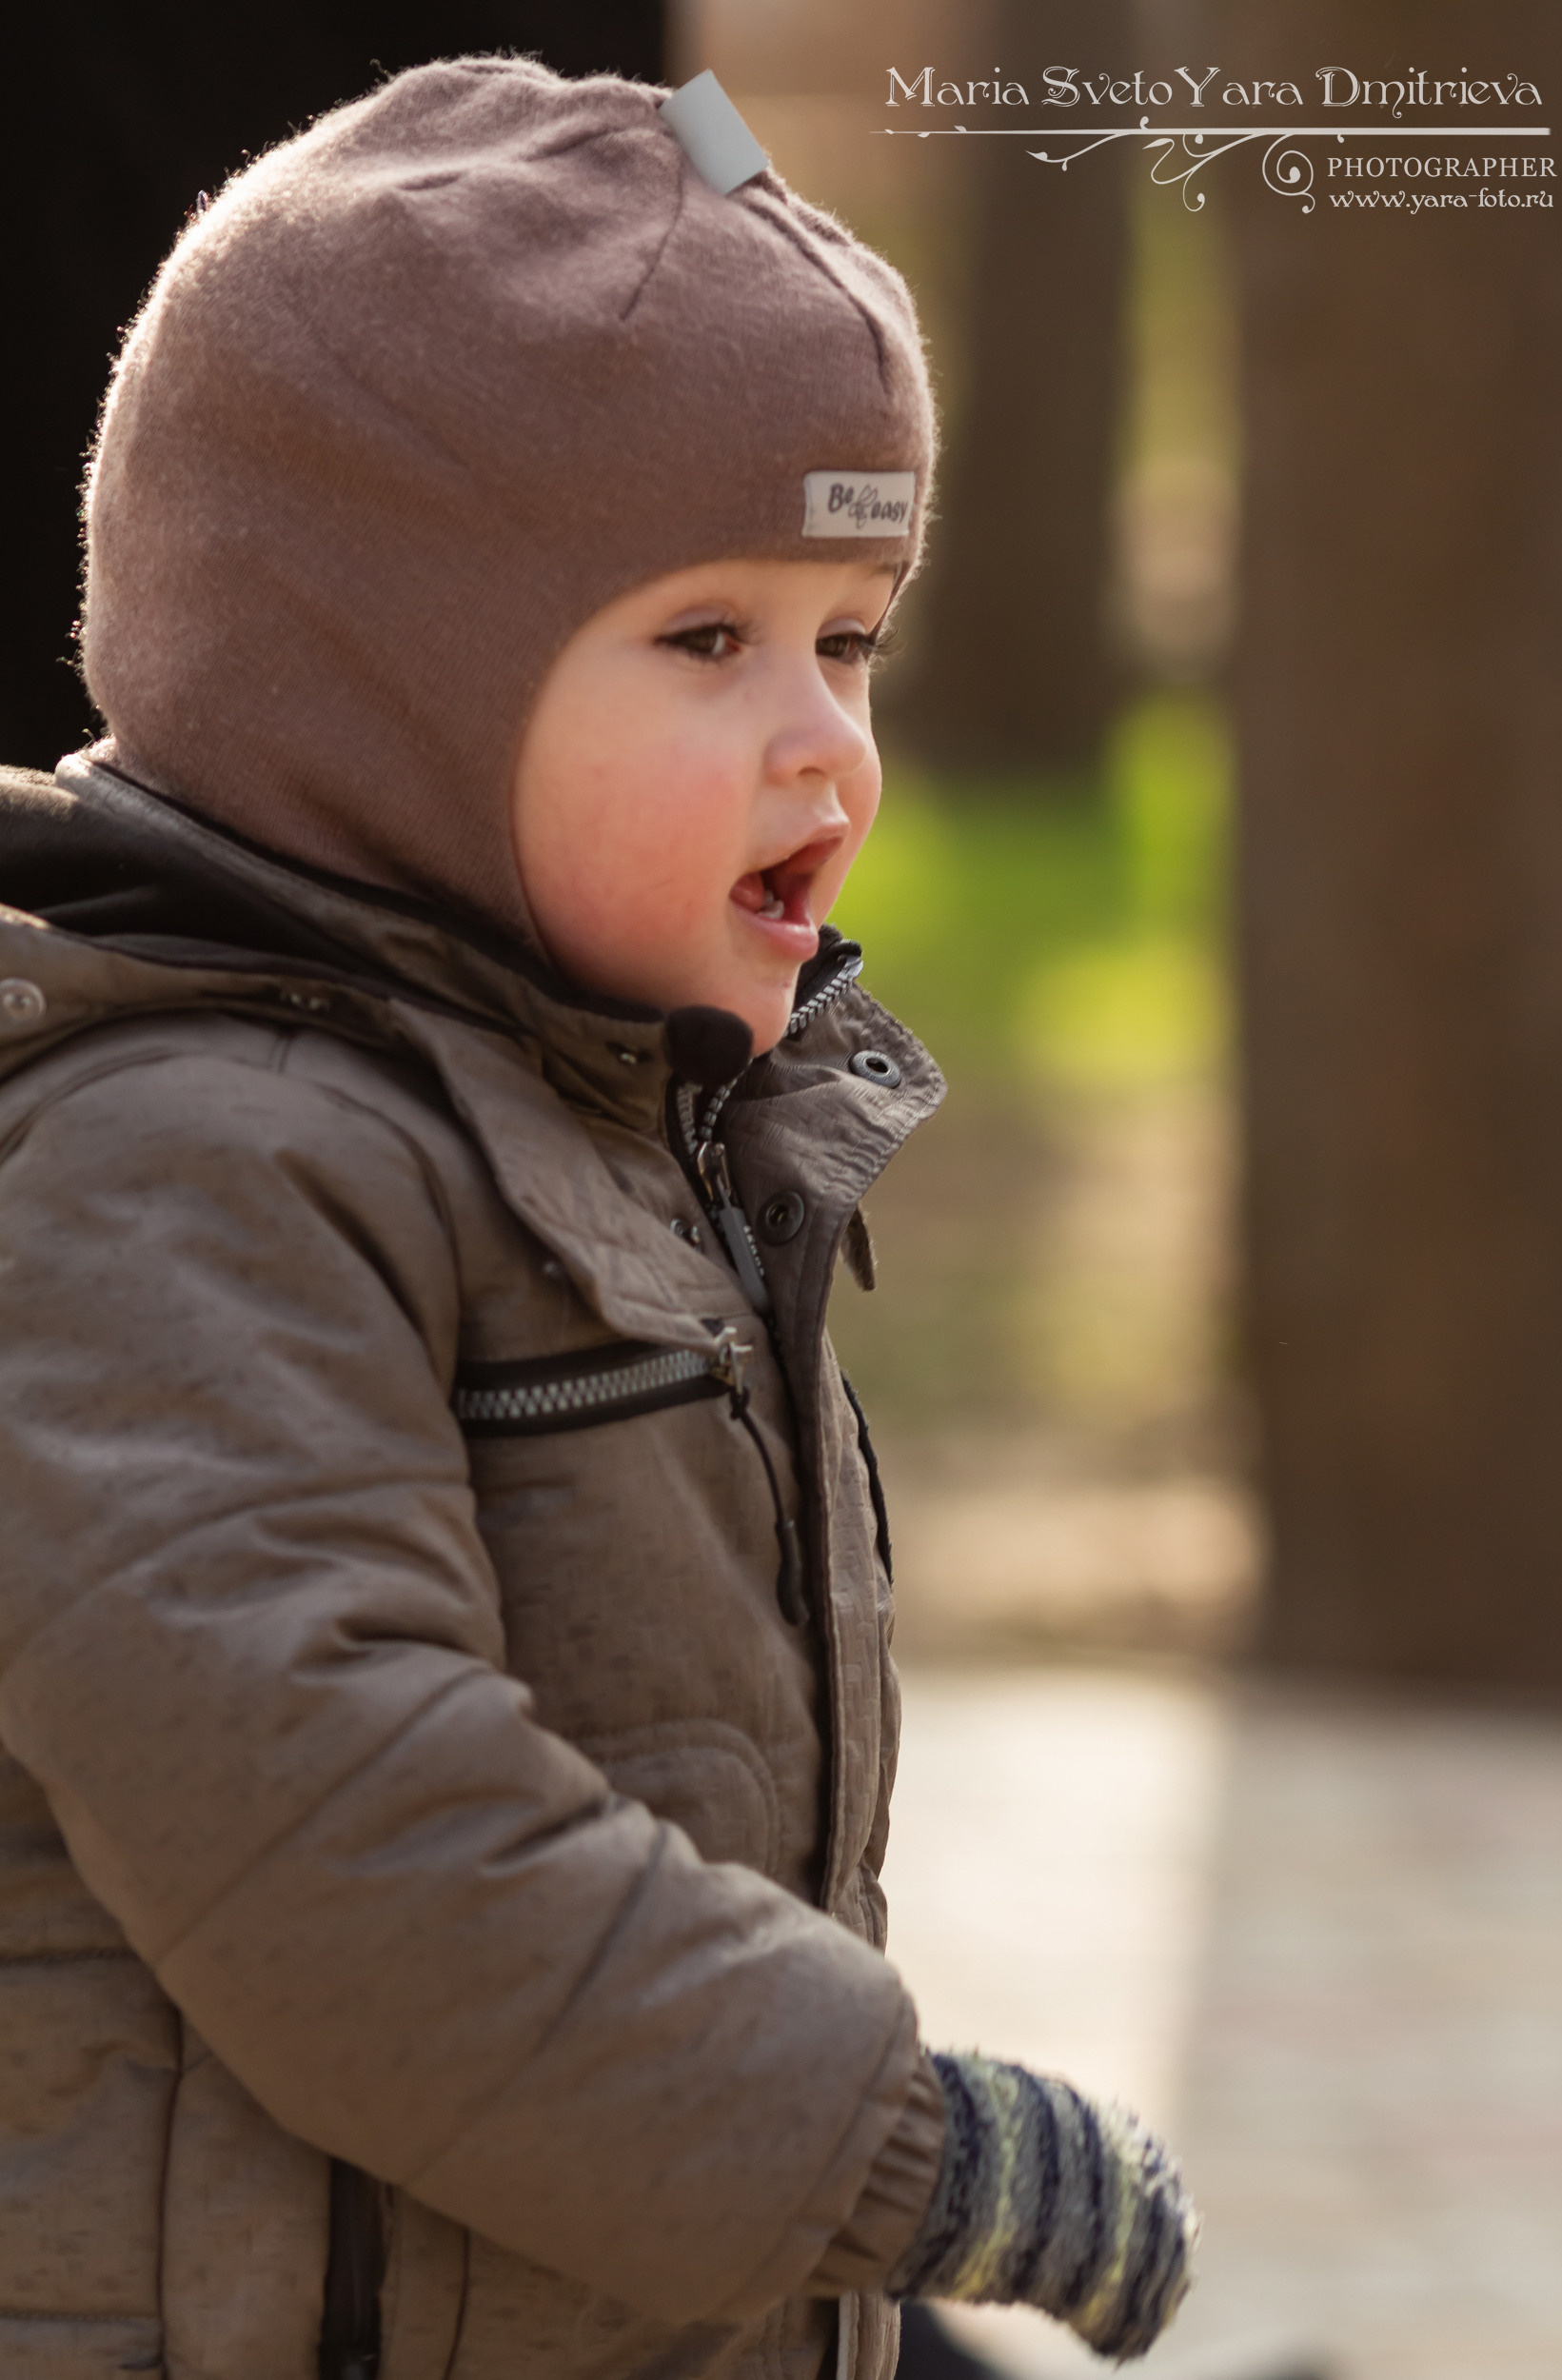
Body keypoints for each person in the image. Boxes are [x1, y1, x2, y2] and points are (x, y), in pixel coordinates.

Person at [0, 56, 1196, 2380]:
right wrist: (904, 2150)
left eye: (851, 636)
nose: (824, 739)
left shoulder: (594, 1114)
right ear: (379, 685)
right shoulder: (187, 1168)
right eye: (708, 640)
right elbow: (345, 1840)